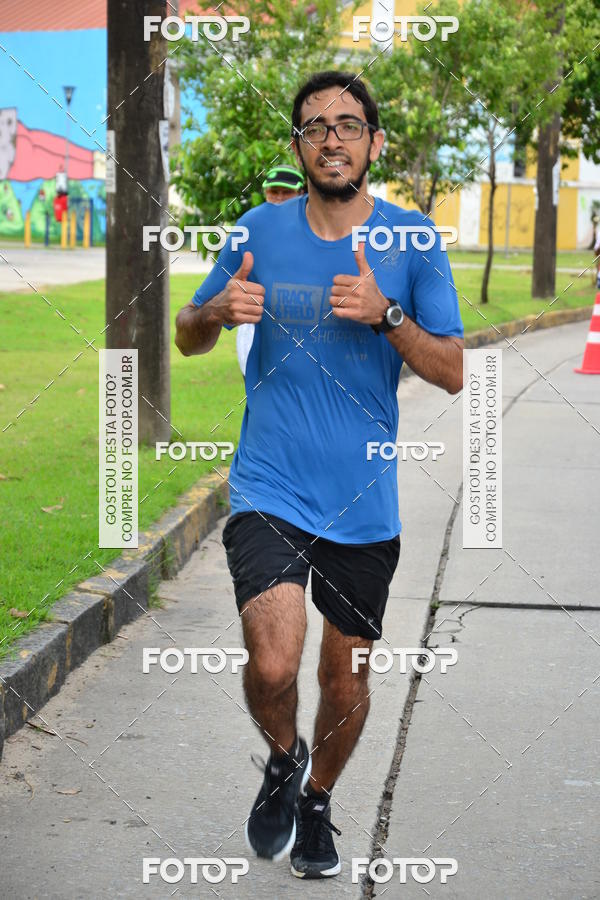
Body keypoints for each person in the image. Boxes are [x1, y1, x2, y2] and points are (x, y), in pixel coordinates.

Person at [175, 70, 464, 881]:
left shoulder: (413, 241)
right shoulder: (257, 231)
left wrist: (388, 316)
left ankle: (316, 800)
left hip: (364, 498)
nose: (331, 138)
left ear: (374, 143)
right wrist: (211, 313)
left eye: (347, 124)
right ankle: (281, 757)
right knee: (272, 666)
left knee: (346, 679)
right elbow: (187, 333)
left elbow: (452, 371)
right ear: (298, 144)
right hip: (269, 485)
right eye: (314, 126)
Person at [236, 165, 306, 375]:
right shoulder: (249, 230)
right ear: (266, 193)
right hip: (255, 332)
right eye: (274, 192)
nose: (279, 198)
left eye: (287, 192)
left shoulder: (317, 232)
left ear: (301, 193)